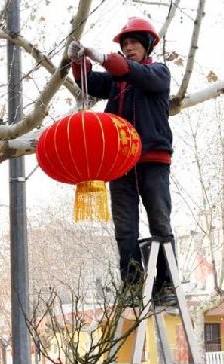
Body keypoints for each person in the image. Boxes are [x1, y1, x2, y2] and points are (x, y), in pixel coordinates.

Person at [68, 17, 177, 306]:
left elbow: (125, 69)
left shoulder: (158, 73)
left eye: (133, 44)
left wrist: (100, 56)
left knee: (160, 222)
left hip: (153, 160)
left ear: (146, 46)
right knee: (125, 229)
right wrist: (79, 63)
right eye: (125, 44)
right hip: (120, 164)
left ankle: (167, 286)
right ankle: (132, 287)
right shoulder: (118, 84)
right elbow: (89, 83)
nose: (128, 48)